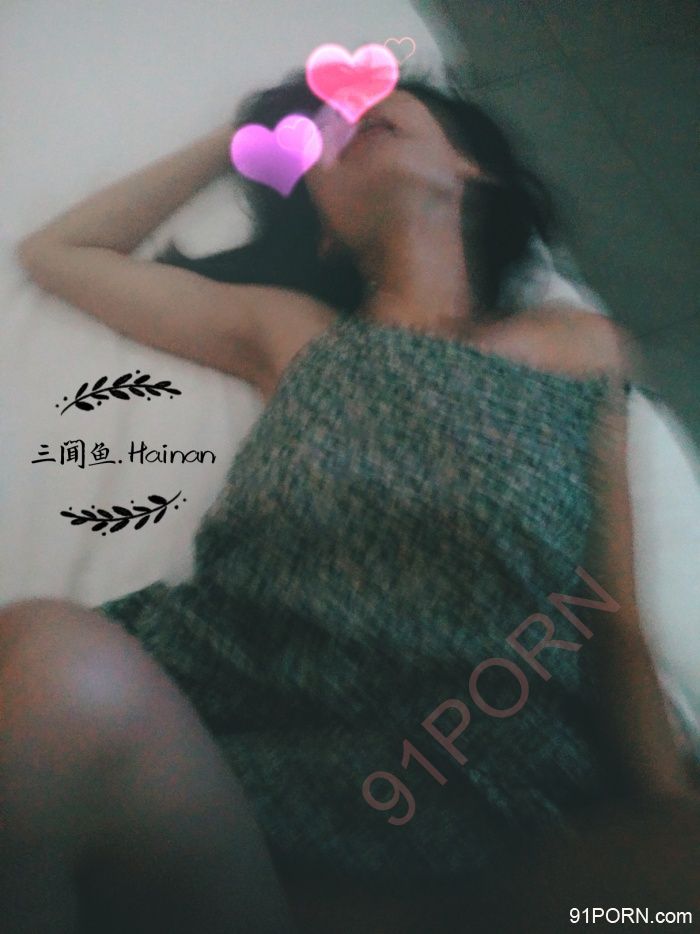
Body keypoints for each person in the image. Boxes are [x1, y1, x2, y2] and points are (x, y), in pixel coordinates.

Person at [5, 68, 699, 933]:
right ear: (326, 229)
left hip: (504, 834)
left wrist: (666, 813)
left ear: (470, 166)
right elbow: (60, 255)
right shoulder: (292, 334)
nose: (341, 122)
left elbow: (609, 612)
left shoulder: (581, 346)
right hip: (240, 813)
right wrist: (243, 142)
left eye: (371, 110)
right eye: (321, 137)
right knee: (43, 661)